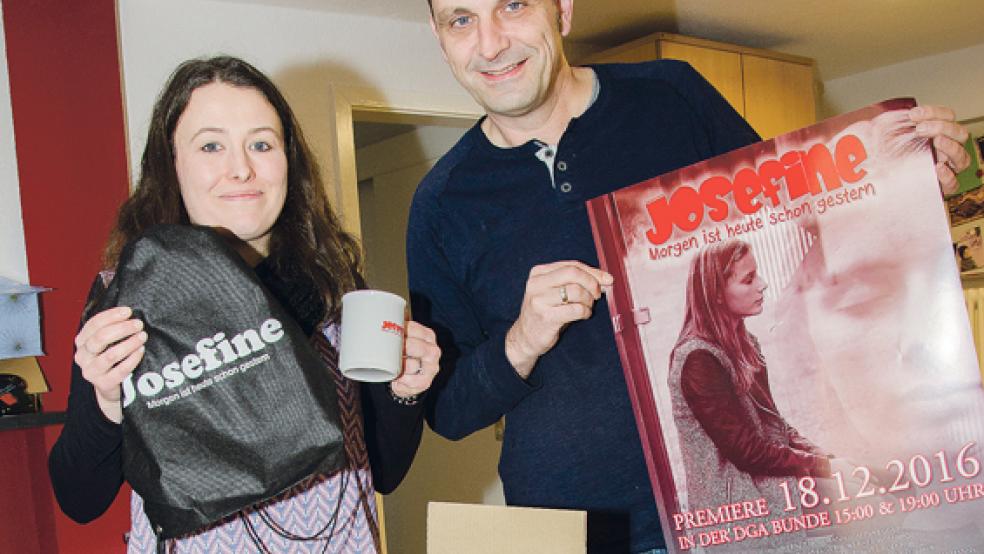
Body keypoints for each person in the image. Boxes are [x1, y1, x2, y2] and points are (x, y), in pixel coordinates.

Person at [408, 1, 971, 552]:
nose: (490, 43)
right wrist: (521, 341)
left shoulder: (670, 97)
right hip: (567, 529)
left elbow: (797, 216)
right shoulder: (440, 204)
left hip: (726, 525)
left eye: (513, 6)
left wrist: (907, 190)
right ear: (438, 39)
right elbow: (449, 411)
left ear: (563, 11)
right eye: (461, 19)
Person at [49, 56, 441, 553]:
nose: (241, 168)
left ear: (288, 160)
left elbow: (379, 473)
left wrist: (405, 392)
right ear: (172, 163)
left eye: (261, 143)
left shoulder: (334, 287)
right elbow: (79, 498)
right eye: (211, 145)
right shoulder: (130, 301)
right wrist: (105, 400)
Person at [668, 240, 840, 514]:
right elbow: (747, 452)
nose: (762, 284)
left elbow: (775, 427)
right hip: (737, 502)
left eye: (756, 274)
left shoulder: (746, 343)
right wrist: (823, 467)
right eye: (748, 280)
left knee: (868, 479)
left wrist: (829, 460)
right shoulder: (698, 360)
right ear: (717, 294)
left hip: (766, 480)